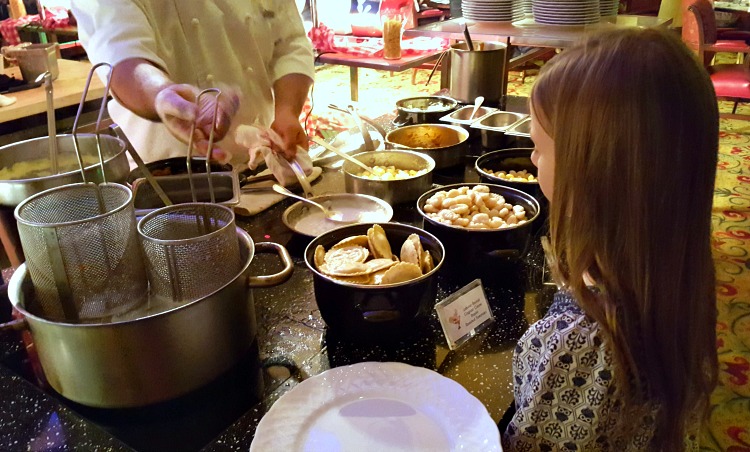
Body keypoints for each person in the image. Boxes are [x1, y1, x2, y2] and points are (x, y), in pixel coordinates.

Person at [503, 28, 718, 450]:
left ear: (590, 176)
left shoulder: (580, 342)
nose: (531, 158)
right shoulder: (672, 271)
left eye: (539, 148)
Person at [70, 0, 315, 165]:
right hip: (169, 180)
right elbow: (122, 55)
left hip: (263, 165)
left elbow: (290, 43)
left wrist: (286, 112)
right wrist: (162, 94)